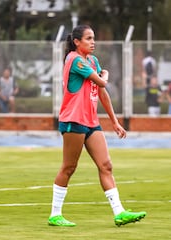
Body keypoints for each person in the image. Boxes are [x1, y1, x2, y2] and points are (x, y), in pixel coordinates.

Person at [48, 25, 146, 227]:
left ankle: (119, 212)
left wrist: (114, 121)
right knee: (69, 167)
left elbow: (101, 93)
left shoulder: (92, 60)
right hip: (73, 120)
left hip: (91, 122)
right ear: (77, 42)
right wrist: (106, 75)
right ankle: (55, 214)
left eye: (93, 38)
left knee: (106, 165)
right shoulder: (74, 59)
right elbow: (102, 83)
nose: (93, 42)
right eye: (88, 38)